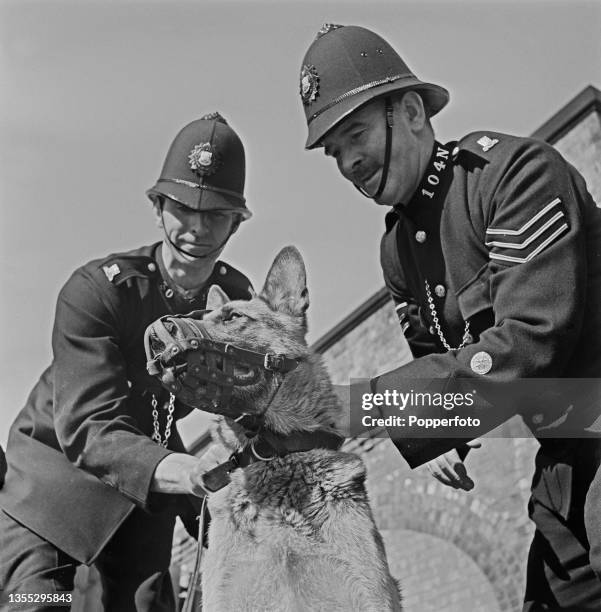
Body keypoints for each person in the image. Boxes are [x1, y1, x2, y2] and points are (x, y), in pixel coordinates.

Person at [299, 24, 601, 611]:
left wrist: (366, 405)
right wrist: (437, 432)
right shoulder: (398, 250)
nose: (348, 162)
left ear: (410, 111)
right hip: (564, 469)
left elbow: (528, 345)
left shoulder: (516, 175)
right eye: (334, 152)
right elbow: (440, 362)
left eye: (355, 133)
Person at [0, 113, 253, 611]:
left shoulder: (235, 301)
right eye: (182, 207)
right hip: (50, 492)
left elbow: (237, 409)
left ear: (237, 223)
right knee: (35, 605)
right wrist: (184, 471)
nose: (197, 228)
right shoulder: (98, 291)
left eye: (217, 214)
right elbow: (90, 427)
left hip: (144, 493)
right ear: (157, 207)